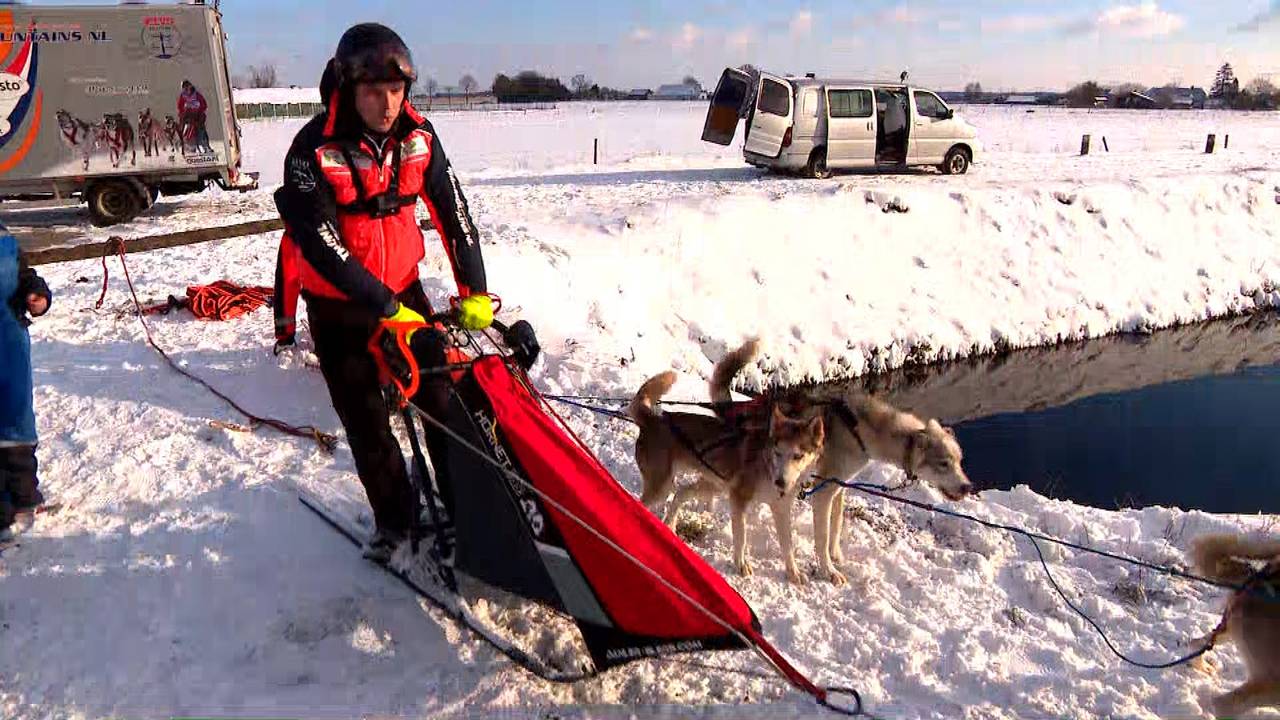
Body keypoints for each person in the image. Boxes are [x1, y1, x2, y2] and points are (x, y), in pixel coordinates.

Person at [274, 23, 494, 561]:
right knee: (367, 420)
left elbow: (453, 213)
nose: (388, 103)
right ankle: (395, 521)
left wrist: (475, 290)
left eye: (397, 90)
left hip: (405, 293)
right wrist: (385, 308)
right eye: (374, 90)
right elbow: (322, 247)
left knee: (441, 402)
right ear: (348, 88)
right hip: (339, 309)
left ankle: (468, 509)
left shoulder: (421, 137)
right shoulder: (310, 150)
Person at [1, 222, 51, 543]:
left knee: (17, 420)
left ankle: (24, 493)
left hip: (8, 343)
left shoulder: (5, 238)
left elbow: (24, 277)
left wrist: (37, 296)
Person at [177, 80, 210, 153]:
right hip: (187, 115)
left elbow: (204, 105)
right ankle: (182, 143)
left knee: (200, 127)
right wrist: (182, 113)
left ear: (190, 87)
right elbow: (180, 106)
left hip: (197, 115)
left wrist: (200, 113)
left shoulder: (197, 95)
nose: (187, 90)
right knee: (182, 126)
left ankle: (204, 144)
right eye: (185, 89)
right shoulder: (183, 96)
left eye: (187, 88)